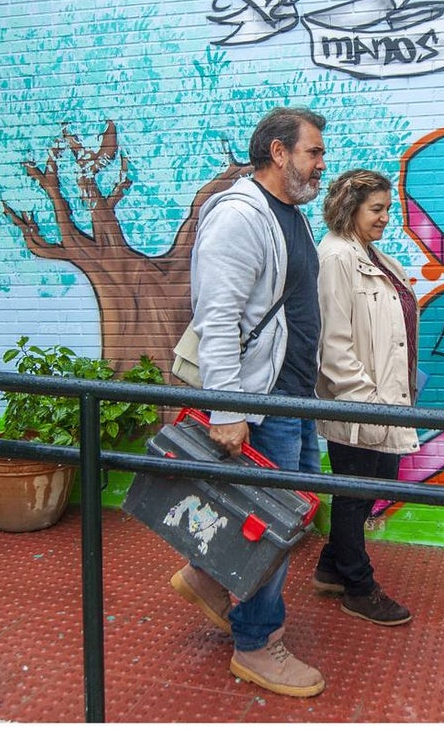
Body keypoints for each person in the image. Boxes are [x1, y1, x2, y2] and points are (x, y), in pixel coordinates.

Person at [169, 106, 328, 698]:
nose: (321, 164)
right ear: (279, 152)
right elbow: (216, 317)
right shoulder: (240, 216)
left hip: (297, 395)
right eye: (313, 152)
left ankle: (206, 576)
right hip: (264, 400)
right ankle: (257, 644)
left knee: (286, 513)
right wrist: (228, 409)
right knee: (275, 522)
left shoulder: (290, 215)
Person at [311, 169, 420, 626]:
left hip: (386, 399)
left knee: (367, 490)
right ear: (349, 207)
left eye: (388, 209)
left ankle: (331, 567)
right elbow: (333, 342)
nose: (385, 218)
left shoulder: (371, 255)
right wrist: (366, 400)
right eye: (377, 209)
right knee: (356, 494)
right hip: (360, 400)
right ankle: (358, 586)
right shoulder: (336, 257)